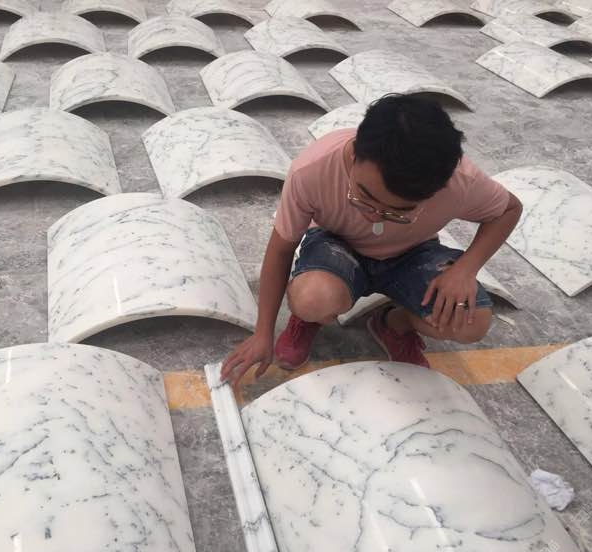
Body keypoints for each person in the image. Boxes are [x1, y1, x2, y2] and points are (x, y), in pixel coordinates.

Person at [220, 93, 523, 386]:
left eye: (398, 211)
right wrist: (263, 333)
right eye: (364, 197)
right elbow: (281, 248)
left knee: (471, 321)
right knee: (313, 297)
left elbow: (509, 209)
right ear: (354, 154)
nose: (375, 217)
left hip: (412, 253)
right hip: (336, 244)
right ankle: (307, 319)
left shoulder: (460, 181)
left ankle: (394, 323)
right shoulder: (312, 170)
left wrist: (465, 269)